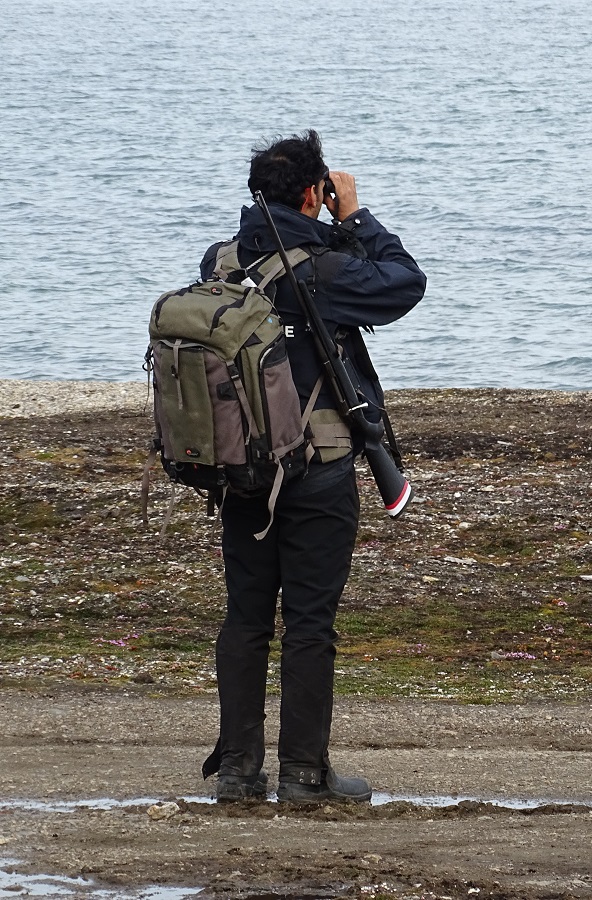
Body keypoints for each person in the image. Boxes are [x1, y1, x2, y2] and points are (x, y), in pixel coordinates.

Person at [198, 130, 426, 803]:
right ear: (310, 192)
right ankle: (304, 774)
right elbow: (405, 283)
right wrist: (353, 216)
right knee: (309, 622)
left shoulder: (221, 261)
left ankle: (238, 773)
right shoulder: (321, 268)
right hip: (318, 470)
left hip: (239, 471)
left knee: (244, 619)